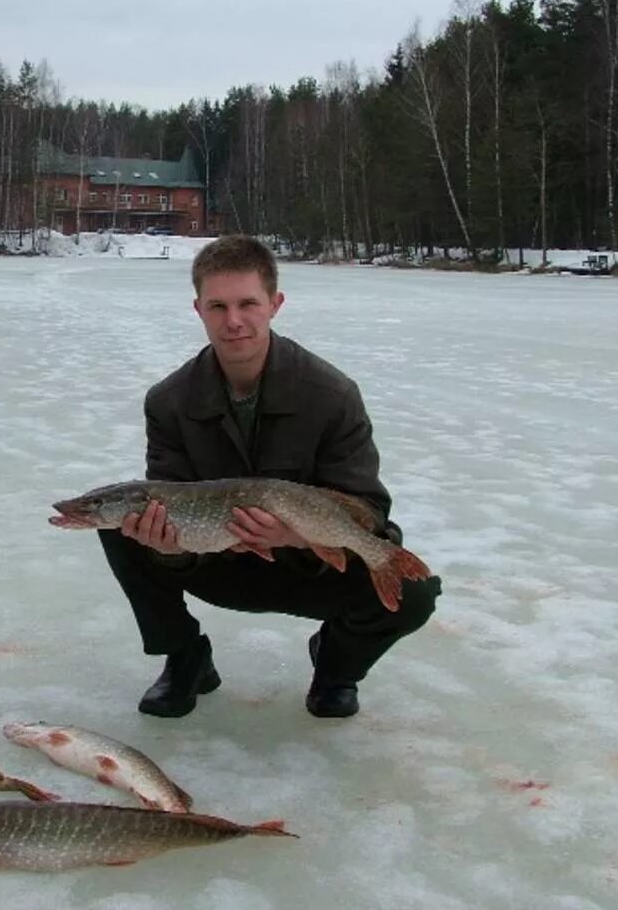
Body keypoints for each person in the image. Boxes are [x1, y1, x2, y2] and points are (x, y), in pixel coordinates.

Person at [96, 234, 442, 719]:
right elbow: (168, 494)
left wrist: (297, 534)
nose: (233, 321)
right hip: (217, 559)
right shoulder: (169, 401)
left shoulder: (332, 394)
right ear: (198, 309)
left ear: (275, 304)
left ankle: (336, 666)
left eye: (247, 304)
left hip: (311, 567)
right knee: (122, 519)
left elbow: (368, 508)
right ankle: (186, 657)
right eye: (218, 306)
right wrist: (167, 548)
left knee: (414, 593)